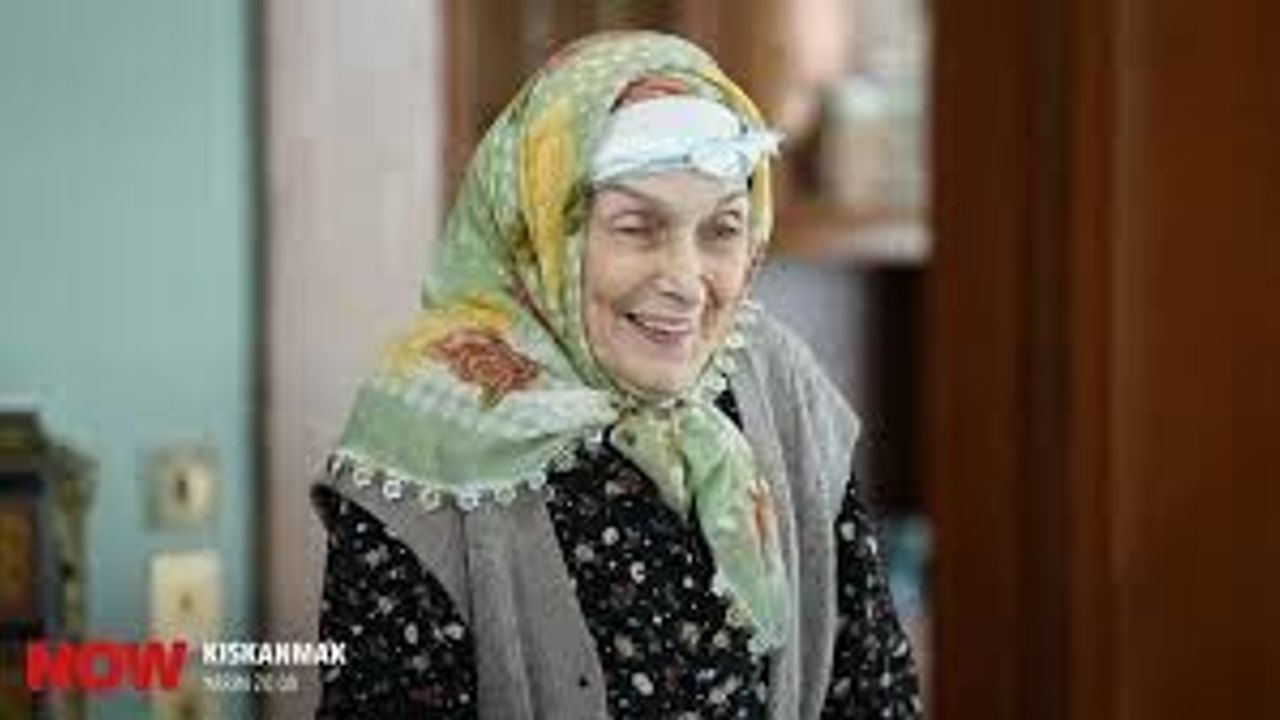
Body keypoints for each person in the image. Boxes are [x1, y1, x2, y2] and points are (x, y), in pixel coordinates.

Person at [312, 31, 921, 719]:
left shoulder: (775, 380)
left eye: (722, 229)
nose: (686, 282)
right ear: (541, 231)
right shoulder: (425, 436)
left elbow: (873, 690)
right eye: (637, 228)